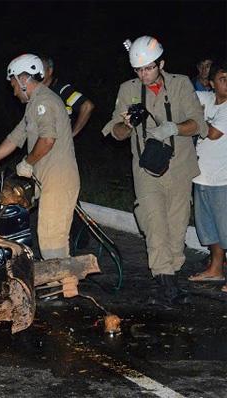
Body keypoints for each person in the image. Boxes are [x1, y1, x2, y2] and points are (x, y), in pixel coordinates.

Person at [101, 35, 207, 305]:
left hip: (179, 167)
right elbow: (115, 132)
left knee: (177, 225)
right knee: (155, 223)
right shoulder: (129, 89)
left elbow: (197, 123)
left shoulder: (180, 84)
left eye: (149, 68)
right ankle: (167, 282)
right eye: (139, 69)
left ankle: (171, 270)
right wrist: (127, 124)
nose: (144, 74)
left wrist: (173, 127)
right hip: (146, 168)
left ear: (161, 63)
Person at [0, 54, 80, 259]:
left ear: (23, 80)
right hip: (48, 178)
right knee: (50, 235)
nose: (12, 91)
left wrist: (28, 162)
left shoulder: (44, 102)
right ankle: (65, 285)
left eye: (13, 84)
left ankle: (61, 285)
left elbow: (47, 139)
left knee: (51, 237)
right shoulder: (33, 105)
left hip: (58, 177)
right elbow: (14, 139)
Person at [187, 60, 227, 294]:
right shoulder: (207, 99)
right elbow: (187, 97)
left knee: (225, 229)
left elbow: (211, 133)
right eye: (222, 79)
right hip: (202, 176)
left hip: (222, 180)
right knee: (208, 229)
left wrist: (196, 120)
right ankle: (215, 269)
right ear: (212, 84)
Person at [40, 55, 95, 137]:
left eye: (40, 71)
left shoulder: (61, 89)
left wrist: (71, 135)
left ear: (50, 71)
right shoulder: (39, 92)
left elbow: (87, 106)